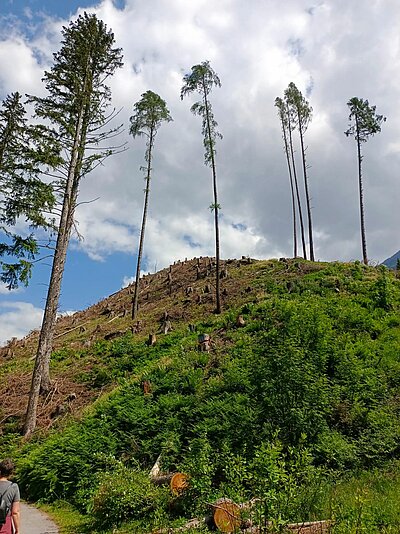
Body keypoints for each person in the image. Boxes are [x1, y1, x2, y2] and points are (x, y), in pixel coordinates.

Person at [0, 459, 20, 534]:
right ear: (11, 473)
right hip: (5, 524)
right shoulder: (14, 487)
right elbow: (15, 512)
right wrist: (17, 530)